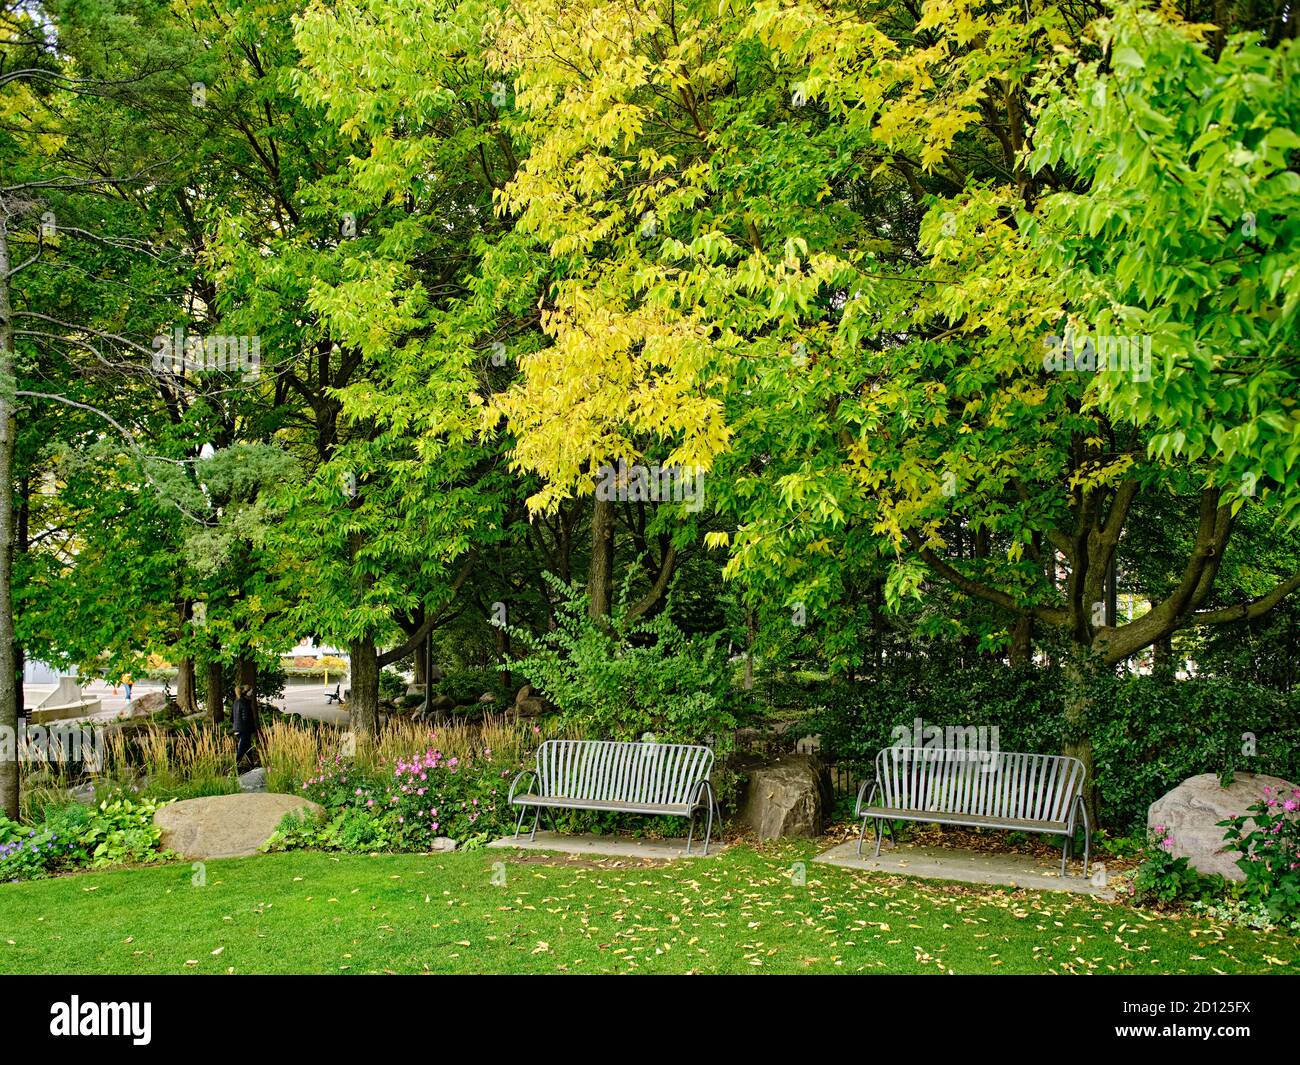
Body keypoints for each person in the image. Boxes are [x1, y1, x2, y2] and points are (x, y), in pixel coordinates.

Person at [232, 685, 255, 765]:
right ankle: (235, 766)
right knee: (241, 749)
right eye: (250, 691)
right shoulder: (244, 703)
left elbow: (232, 717)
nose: (251, 693)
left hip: (237, 728)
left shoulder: (236, 702)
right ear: (246, 692)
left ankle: (251, 765)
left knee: (248, 748)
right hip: (244, 730)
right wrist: (251, 728)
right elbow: (246, 717)